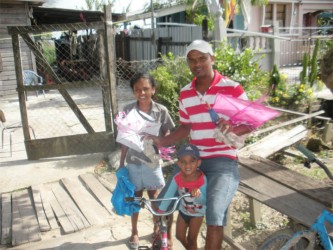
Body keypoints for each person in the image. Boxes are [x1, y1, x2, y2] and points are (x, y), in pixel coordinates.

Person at [148, 40, 252, 250]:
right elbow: (186, 127)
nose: (197, 64)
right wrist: (161, 142)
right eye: (192, 60)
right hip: (193, 161)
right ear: (188, 63)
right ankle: (162, 241)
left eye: (202, 58)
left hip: (223, 160)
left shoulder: (231, 88)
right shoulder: (186, 93)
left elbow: (250, 122)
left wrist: (231, 126)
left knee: (215, 214)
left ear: (212, 59)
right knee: (162, 206)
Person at [118, 72, 175, 249]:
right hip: (133, 161)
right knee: (135, 198)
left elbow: (168, 131)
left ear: (153, 89)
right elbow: (124, 138)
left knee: (155, 198)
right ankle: (134, 231)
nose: (142, 93)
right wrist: (121, 163)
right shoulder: (127, 110)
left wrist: (161, 141)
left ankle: (157, 228)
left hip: (152, 161)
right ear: (133, 92)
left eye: (146, 89)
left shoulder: (161, 110)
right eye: (137, 90)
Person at [158, 143, 207, 250]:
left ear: (198, 162)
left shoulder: (202, 179)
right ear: (179, 164)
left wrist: (198, 195)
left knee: (191, 239)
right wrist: (161, 210)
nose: (187, 165)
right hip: (183, 211)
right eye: (183, 162)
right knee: (179, 236)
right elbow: (169, 194)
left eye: (192, 161)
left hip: (197, 214)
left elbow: (204, 201)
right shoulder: (178, 177)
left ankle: (191, 246)